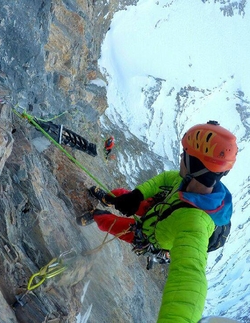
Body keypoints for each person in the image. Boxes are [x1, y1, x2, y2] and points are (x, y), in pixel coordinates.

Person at [77, 121, 238, 323]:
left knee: (116, 225)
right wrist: (138, 194)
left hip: (151, 234)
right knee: (122, 196)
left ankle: (96, 214)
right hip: (159, 209)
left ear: (195, 165)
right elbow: (162, 180)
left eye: (185, 154)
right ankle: (107, 199)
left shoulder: (195, 224)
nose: (181, 156)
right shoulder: (184, 181)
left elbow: (189, 277)